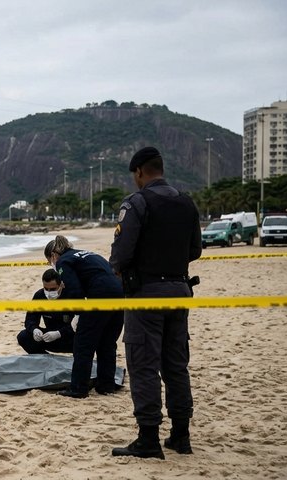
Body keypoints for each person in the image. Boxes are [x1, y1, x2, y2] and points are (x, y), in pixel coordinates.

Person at [109, 146, 202, 459]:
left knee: (143, 364)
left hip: (145, 293)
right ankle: (180, 435)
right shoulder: (186, 202)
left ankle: (148, 438)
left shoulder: (137, 202)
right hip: (179, 290)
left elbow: (121, 254)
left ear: (139, 173)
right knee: (176, 365)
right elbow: (195, 251)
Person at [44, 235, 124, 399]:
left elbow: (75, 291)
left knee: (83, 344)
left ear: (53, 254)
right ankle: (106, 385)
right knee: (107, 343)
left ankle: (78, 389)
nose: (50, 264)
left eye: (49, 260)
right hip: (118, 294)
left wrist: (78, 314)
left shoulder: (63, 262)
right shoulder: (86, 254)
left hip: (99, 296)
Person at [16, 268, 77, 354]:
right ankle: (44, 359)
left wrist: (59, 333)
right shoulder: (39, 296)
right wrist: (34, 330)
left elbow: (80, 324)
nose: (49, 292)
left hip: (71, 338)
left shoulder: (72, 296)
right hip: (49, 337)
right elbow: (30, 319)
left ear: (61, 285)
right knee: (23, 336)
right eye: (46, 289)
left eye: (52, 289)